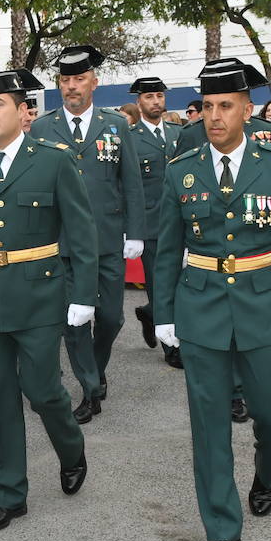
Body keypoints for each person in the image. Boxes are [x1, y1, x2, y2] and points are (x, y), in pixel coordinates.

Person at [153, 59, 271, 541]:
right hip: (200, 304)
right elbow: (166, 249)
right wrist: (164, 314)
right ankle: (222, 527)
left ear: (248, 110)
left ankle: (266, 472)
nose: (215, 116)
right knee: (208, 423)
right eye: (207, 107)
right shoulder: (181, 171)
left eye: (225, 106)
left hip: (263, 302)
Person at [0, 68, 96, 532]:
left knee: (43, 389)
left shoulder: (53, 160)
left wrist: (83, 295)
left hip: (38, 295)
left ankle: (71, 449)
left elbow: (82, 231)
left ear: (24, 112)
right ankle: (9, 492)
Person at [30, 44, 145, 424]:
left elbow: (131, 182)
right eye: (65, 80)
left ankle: (95, 369)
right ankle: (89, 386)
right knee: (73, 321)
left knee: (111, 318)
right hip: (62, 243)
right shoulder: (44, 127)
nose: (72, 86)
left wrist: (135, 231)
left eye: (79, 79)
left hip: (107, 238)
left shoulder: (115, 125)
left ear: (94, 83)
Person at [125, 76, 180, 364]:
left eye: (159, 95)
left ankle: (150, 313)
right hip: (151, 224)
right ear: (139, 102)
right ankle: (171, 345)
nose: (156, 101)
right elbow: (126, 186)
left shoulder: (176, 134)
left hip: (181, 222)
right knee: (160, 284)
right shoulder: (130, 138)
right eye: (149, 97)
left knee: (182, 282)